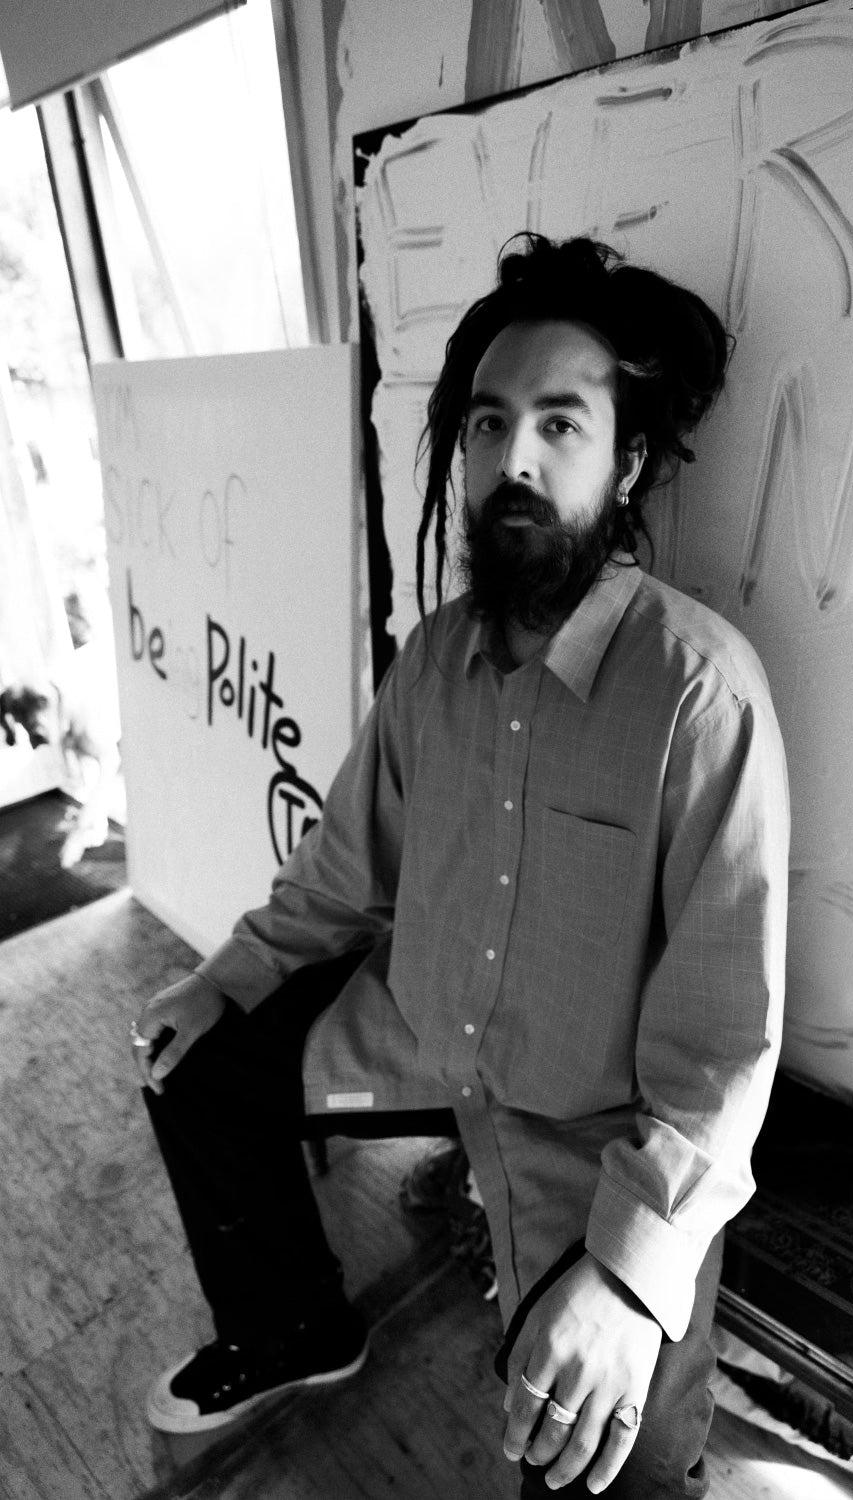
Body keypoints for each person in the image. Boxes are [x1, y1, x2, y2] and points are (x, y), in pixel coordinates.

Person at [131, 233, 789, 1498]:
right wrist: (224, 980)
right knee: (191, 1065)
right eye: (489, 425)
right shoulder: (431, 661)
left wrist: (620, 1283)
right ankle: (291, 1325)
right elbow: (338, 874)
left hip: (582, 1120)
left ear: (628, 461)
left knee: (606, 1449)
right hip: (419, 1032)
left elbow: (722, 1052)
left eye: (559, 424)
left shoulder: (700, 696)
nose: (513, 461)